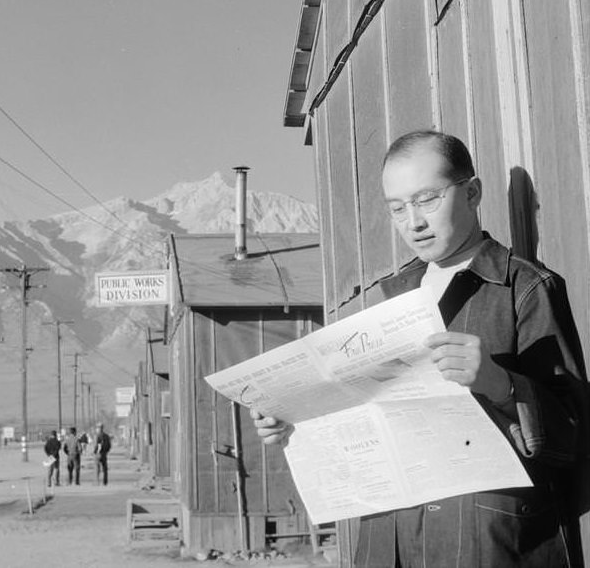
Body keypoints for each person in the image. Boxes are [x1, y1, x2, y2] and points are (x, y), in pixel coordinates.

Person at [252, 130, 589, 567]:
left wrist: (502, 385)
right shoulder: (390, 299)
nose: (413, 221)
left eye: (427, 199)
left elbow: (575, 434)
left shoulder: (524, 289)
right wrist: (296, 420)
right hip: (394, 542)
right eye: (397, 208)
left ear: (472, 193)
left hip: (488, 544)